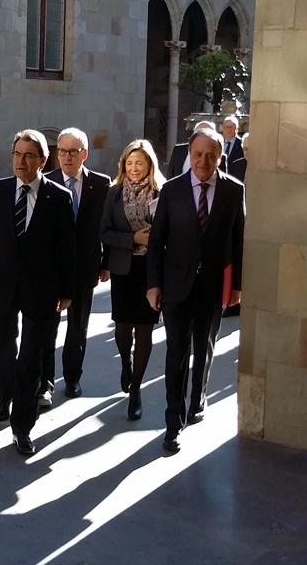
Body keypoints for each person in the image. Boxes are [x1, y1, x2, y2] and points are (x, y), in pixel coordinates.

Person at [0, 129, 76, 456]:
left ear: (43, 160)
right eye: (17, 154)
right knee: (0, 351)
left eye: (29, 155)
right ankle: (7, 391)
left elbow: (66, 249)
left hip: (41, 291)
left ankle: (22, 427)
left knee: (31, 361)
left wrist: (67, 291)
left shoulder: (58, 197)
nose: (21, 161)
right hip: (0, 286)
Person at [147, 127, 244, 453]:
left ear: (220, 157)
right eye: (198, 154)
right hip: (175, 286)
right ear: (190, 155)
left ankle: (198, 398)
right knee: (176, 353)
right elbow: (156, 241)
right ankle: (172, 422)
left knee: (204, 347)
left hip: (212, 287)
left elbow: (239, 242)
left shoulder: (233, 191)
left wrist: (238, 287)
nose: (204, 161)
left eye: (211, 155)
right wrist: (154, 284)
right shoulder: (172, 191)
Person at [40, 128, 110, 406]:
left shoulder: (101, 184)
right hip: (51, 270)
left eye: (73, 151)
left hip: (85, 268)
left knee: (78, 328)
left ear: (85, 154)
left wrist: (105, 264)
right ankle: (45, 382)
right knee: (47, 327)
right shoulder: (45, 182)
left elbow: (106, 227)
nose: (67, 157)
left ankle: (72, 377)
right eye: (62, 151)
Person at [100, 140, 164, 420]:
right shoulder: (113, 194)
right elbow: (104, 232)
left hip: (151, 270)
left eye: (140, 163)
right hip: (124, 270)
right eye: (129, 163)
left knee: (145, 330)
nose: (134, 168)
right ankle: (125, 362)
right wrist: (132, 239)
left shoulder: (163, 193)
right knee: (124, 330)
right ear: (123, 166)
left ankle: (136, 388)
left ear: (150, 165)